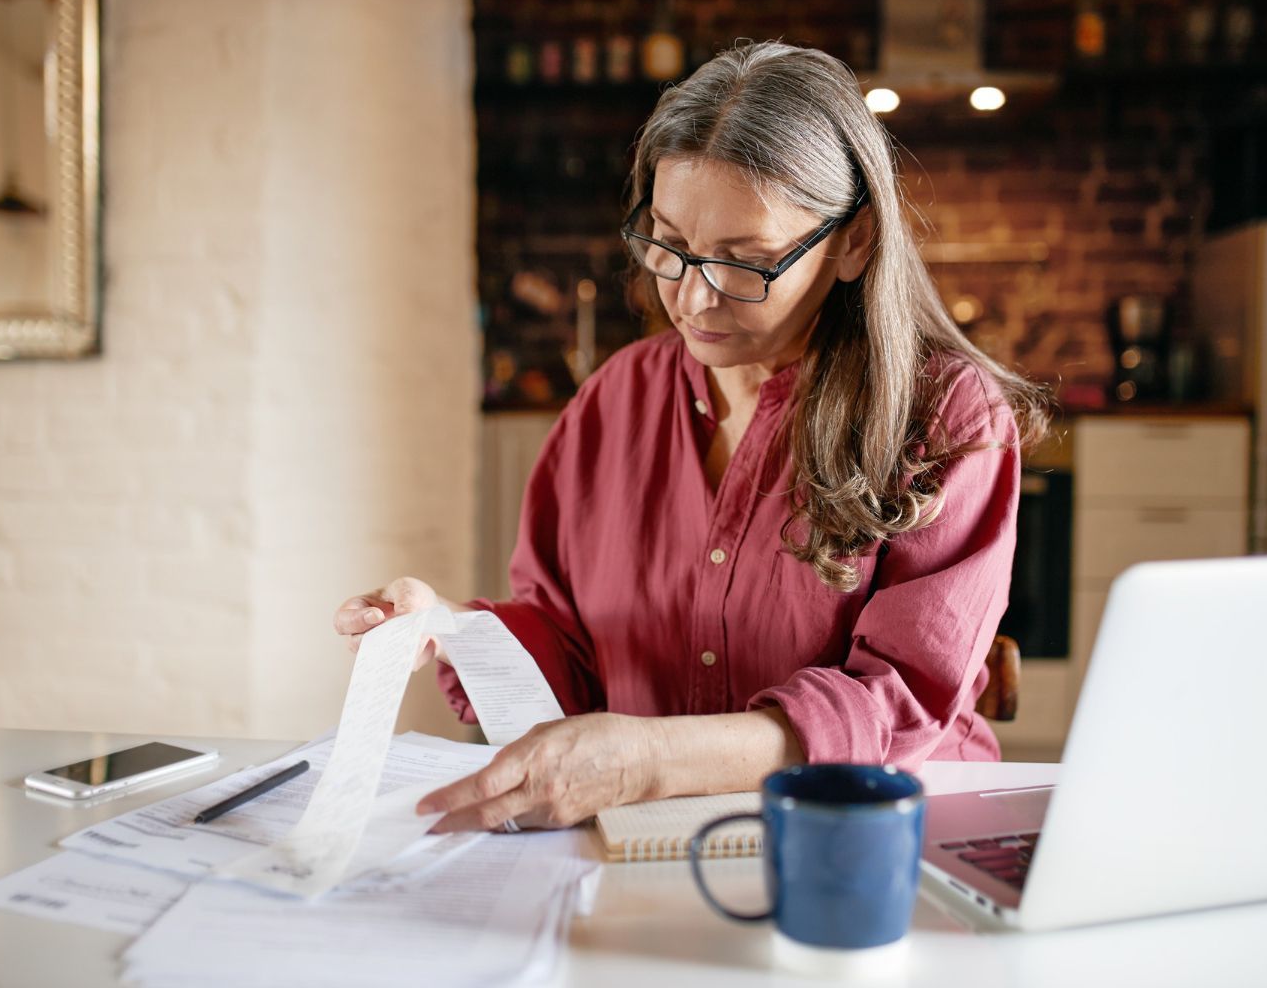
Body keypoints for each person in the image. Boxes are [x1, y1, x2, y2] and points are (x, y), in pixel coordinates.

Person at [335, 41, 1047, 835]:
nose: (693, 297)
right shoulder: (614, 402)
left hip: (869, 839)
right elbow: (570, 643)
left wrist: (648, 760)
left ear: (854, 241)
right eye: (669, 243)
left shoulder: (946, 415)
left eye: (748, 262)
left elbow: (895, 705)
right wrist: (450, 631)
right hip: (649, 838)